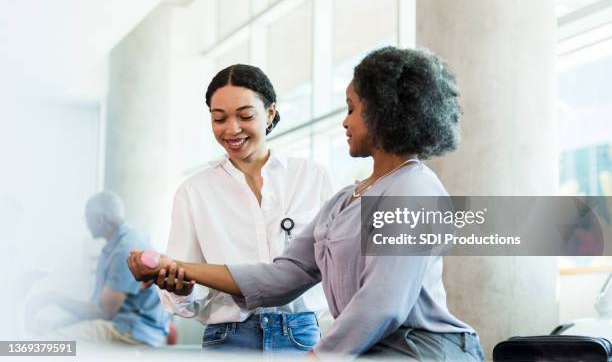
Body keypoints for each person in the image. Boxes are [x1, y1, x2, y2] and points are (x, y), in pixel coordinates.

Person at [128, 47, 485, 360]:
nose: (344, 121)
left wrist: (317, 356)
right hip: (369, 351)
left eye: (351, 109)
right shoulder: (344, 200)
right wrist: (176, 266)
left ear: (384, 113)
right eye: (219, 118)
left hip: (419, 350)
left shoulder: (416, 191)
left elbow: (382, 303)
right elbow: (281, 275)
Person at [155, 64, 332, 354]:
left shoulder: (311, 177)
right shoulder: (193, 192)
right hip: (228, 339)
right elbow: (185, 297)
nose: (231, 129)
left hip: (299, 335)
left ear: (270, 113)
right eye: (219, 118)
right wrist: (181, 289)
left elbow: (333, 266)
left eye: (245, 116)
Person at [27, 191, 170, 347]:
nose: (85, 223)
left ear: (100, 219)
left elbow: (103, 313)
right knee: (46, 335)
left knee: (41, 347)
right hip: (122, 323)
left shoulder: (125, 250)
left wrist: (53, 298)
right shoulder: (119, 243)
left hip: (134, 332)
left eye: (86, 217)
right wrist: (55, 325)